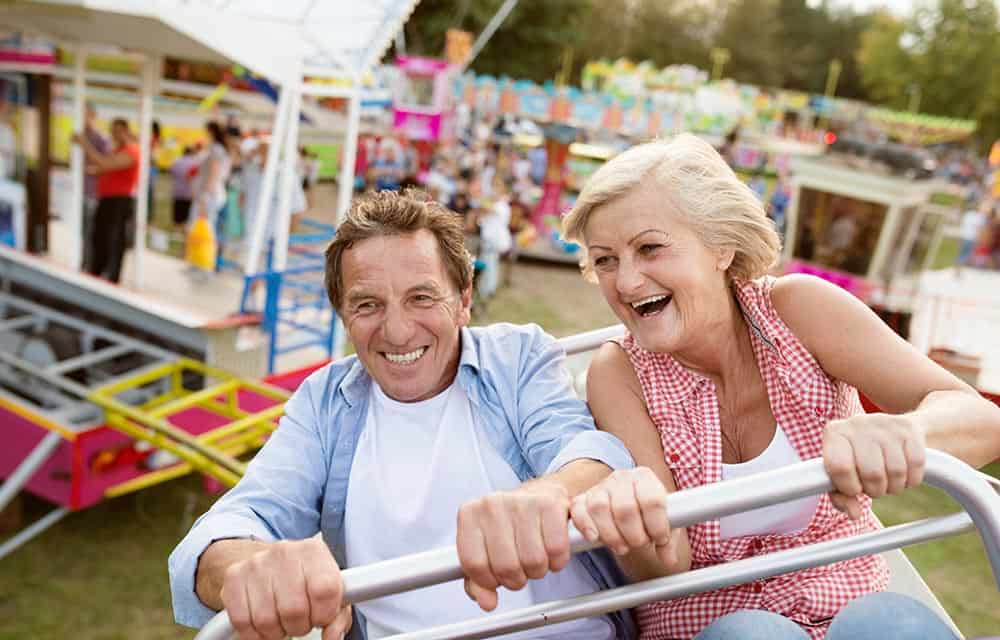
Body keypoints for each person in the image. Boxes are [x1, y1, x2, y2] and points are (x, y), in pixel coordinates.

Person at [559, 134, 1000, 640]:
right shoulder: (618, 373)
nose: (628, 282)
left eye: (650, 248)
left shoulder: (798, 310)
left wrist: (906, 433)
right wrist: (630, 522)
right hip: (711, 619)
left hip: (845, 599)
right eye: (606, 260)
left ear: (720, 246)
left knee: (889, 626)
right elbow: (669, 564)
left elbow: (984, 421)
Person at [169, 190, 638, 640]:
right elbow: (233, 521)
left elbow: (588, 454)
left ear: (464, 300)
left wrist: (550, 493)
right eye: (368, 305)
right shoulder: (325, 403)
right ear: (343, 315)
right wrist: (246, 566)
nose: (396, 331)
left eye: (421, 298)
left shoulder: (514, 358)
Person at [72, 117, 140, 283]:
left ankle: (109, 276)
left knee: (112, 240)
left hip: (119, 201)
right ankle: (97, 271)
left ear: (125, 131)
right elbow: (103, 167)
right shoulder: (117, 151)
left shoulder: (132, 151)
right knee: (99, 238)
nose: (114, 135)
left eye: (117, 131)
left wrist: (84, 144)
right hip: (107, 200)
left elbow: (105, 163)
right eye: (112, 131)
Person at [80, 101, 109, 272]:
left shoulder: (99, 138)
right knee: (83, 231)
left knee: (90, 232)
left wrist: (91, 170)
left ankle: (89, 266)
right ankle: (84, 262)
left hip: (92, 193)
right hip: (80, 191)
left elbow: (106, 165)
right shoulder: (79, 135)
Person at [169, 146, 199, 229]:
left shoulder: (176, 162)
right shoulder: (194, 162)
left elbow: (171, 173)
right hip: (189, 191)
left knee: (178, 211)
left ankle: (177, 227)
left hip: (177, 190)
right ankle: (184, 227)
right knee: (187, 213)